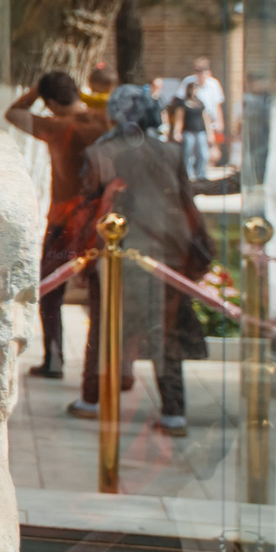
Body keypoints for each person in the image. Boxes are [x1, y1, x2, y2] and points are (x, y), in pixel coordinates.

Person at [75, 85, 212, 435]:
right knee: (165, 334)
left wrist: (83, 257)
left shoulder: (100, 153)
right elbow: (185, 203)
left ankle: (93, 400)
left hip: (116, 256)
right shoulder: (171, 153)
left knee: (106, 326)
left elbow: (89, 209)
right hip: (166, 256)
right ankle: (173, 413)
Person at [5, 72, 107, 380]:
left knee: (50, 291)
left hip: (66, 222)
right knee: (103, 292)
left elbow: (13, 114)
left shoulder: (56, 126)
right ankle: (102, 364)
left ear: (50, 102)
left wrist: (35, 89)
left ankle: (54, 359)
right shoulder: (104, 121)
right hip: (103, 220)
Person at [173, 76, 210, 181]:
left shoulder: (200, 103)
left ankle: (201, 174)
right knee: (188, 154)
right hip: (188, 131)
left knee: (203, 153)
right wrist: (177, 132)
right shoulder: (184, 103)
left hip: (200, 131)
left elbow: (205, 118)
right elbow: (180, 119)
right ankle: (188, 174)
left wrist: (209, 133)